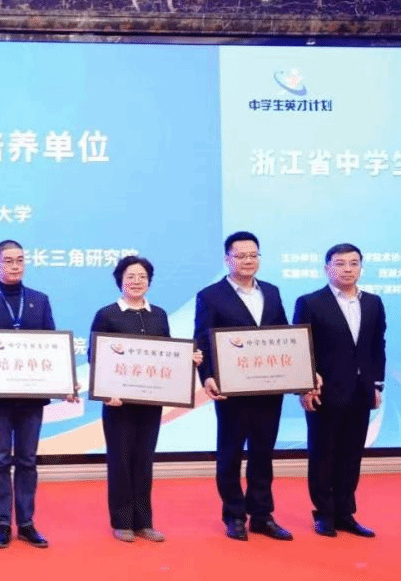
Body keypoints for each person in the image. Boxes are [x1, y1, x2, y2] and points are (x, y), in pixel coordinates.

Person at [89, 256, 202, 543]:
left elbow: (167, 355)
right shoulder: (107, 314)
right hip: (118, 404)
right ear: (120, 280)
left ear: (149, 281)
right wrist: (106, 392)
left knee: (144, 461)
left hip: (151, 403)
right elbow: (95, 357)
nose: (136, 281)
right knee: (120, 461)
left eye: (142, 276)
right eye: (130, 276)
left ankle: (144, 522)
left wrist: (188, 359)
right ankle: (122, 521)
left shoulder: (159, 315)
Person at [193, 231, 293, 541]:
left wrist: (298, 374)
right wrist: (207, 375)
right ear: (227, 259)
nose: (248, 260)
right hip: (231, 388)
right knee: (230, 452)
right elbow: (202, 338)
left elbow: (285, 336)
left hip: (269, 387)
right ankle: (234, 515)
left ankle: (262, 515)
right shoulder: (211, 295)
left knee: (263, 452)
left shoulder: (272, 292)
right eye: (241, 256)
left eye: (253, 255)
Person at [0, 239, 60, 549]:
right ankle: (3, 523)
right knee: (1, 460)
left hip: (32, 398)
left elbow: (52, 346)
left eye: (20, 260)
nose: (15, 265)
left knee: (28, 460)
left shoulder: (40, 300)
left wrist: (61, 380)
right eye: (8, 260)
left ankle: (27, 523)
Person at [293, 243, 384, 538]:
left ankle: (345, 513)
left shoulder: (373, 302)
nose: (348, 269)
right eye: (340, 263)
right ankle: (324, 513)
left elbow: (377, 347)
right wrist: (305, 386)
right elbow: (300, 347)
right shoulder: (310, 302)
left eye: (354, 263)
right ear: (326, 268)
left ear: (361, 267)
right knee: (323, 453)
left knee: (351, 454)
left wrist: (377, 385)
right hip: (324, 391)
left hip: (361, 391)